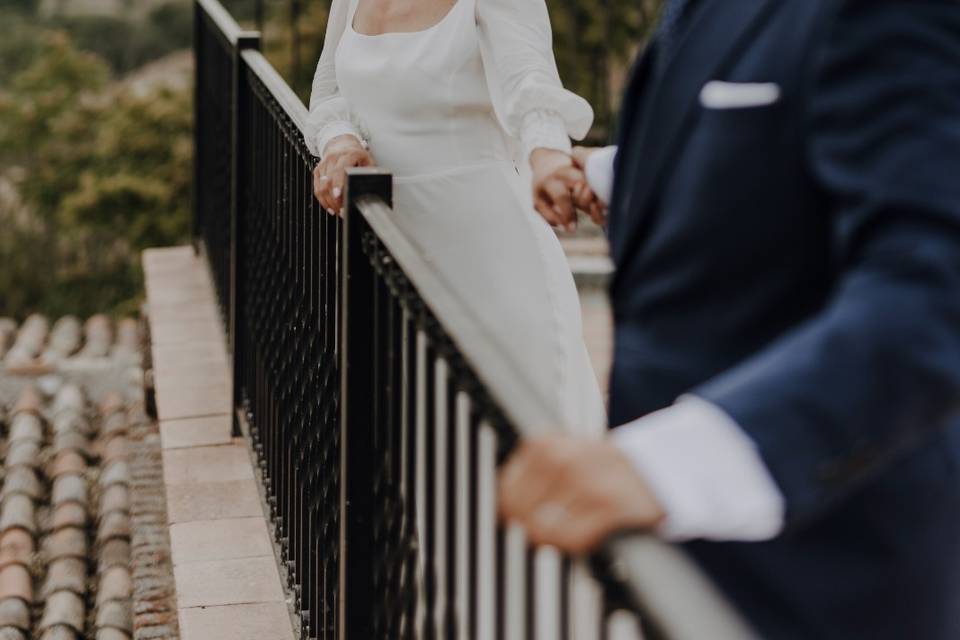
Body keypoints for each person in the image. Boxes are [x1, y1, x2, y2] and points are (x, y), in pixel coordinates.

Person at [499, 1, 960, 638]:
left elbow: (928, 297)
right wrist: (617, 174)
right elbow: (764, 124)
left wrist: (666, 468)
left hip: (824, 571)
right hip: (685, 567)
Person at [304, 0, 606, 431]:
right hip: (393, 249)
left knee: (518, 439)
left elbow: (530, 82)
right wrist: (339, 142)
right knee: (423, 443)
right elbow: (330, 91)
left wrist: (549, 158)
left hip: (491, 259)